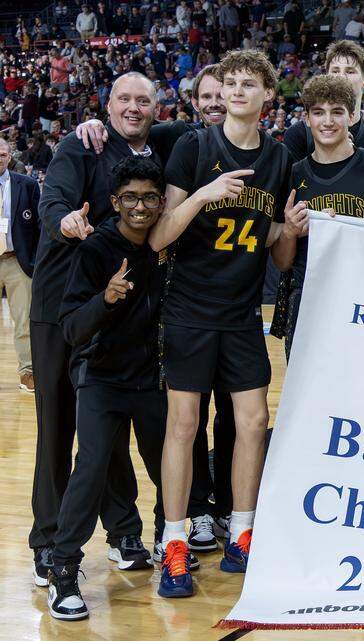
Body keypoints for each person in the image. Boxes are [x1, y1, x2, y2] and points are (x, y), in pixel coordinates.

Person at [151, 49, 307, 598]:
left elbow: (279, 257)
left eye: (249, 84)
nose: (237, 91)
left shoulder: (281, 159)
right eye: (230, 83)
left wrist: (287, 229)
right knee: (184, 425)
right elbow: (159, 236)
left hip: (242, 314)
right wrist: (203, 194)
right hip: (190, 309)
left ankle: (243, 532)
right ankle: (173, 541)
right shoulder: (194, 146)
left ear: (269, 97)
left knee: (251, 421)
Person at [74, 65, 235, 550]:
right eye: (205, 95)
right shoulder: (180, 139)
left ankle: (210, 511)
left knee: (219, 419)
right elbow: (127, 125)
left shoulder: (251, 148)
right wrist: (88, 124)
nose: (214, 104)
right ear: (191, 103)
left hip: (218, 303)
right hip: (156, 299)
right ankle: (162, 528)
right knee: (176, 424)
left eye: (221, 95)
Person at [29, 72, 157, 589]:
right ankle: (47, 539)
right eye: (123, 98)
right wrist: (65, 222)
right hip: (61, 303)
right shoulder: (80, 144)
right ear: (107, 105)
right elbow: (53, 202)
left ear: (156, 107)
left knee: (107, 423)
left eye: (142, 99)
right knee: (58, 425)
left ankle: (123, 531)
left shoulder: (160, 146)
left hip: (115, 307)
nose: (133, 107)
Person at [48, 157, 168, 620]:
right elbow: (72, 328)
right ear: (115, 202)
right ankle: (63, 570)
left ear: (162, 202)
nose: (141, 206)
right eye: (131, 198)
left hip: (151, 379)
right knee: (92, 466)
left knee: (167, 463)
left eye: (150, 197)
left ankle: (167, 540)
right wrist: (107, 298)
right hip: (101, 377)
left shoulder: (165, 244)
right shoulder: (97, 250)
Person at [284, 75, 364, 357]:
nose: (327, 121)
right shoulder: (293, 174)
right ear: (307, 119)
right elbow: (282, 260)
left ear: (352, 116)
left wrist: (345, 232)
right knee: (307, 400)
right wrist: (291, 232)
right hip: (307, 299)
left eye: (337, 112)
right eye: (318, 113)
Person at [282, 40, 364, 162]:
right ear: (326, 76)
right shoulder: (299, 134)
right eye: (335, 71)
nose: (341, 77)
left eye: (349, 71)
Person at [0, 138, 39, 393]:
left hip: (16, 260)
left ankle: (28, 372)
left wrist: (35, 259)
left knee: (24, 320)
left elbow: (39, 226)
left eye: (2, 153)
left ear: (9, 155)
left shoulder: (26, 184)